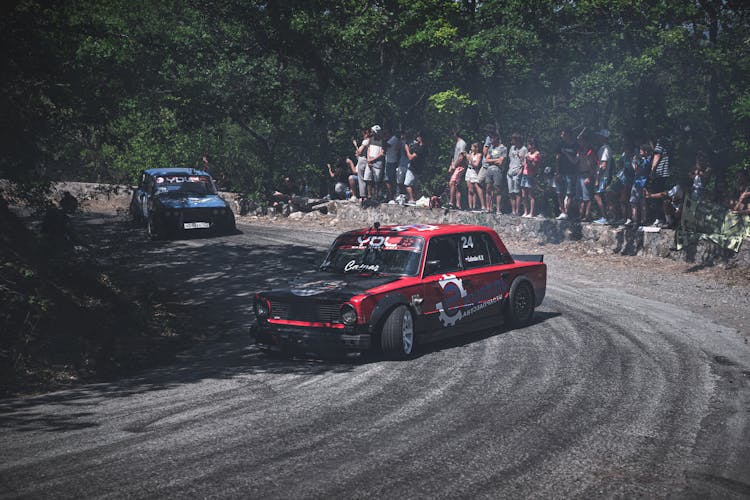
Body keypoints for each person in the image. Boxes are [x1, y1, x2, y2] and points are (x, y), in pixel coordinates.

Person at [647, 137, 672, 225]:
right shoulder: (667, 142)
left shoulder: (660, 142)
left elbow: (657, 156)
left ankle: (659, 218)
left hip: (659, 173)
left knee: (656, 195)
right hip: (665, 173)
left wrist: (652, 170)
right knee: (662, 195)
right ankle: (663, 218)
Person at [554, 128, 578, 220]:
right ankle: (562, 211)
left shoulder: (575, 145)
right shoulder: (560, 145)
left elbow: (576, 160)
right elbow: (557, 158)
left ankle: (566, 212)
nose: (561, 136)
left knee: (569, 193)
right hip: (561, 172)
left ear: (568, 134)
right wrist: (557, 172)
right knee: (559, 193)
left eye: (563, 134)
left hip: (571, 173)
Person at [627, 144, 651, 227]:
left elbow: (636, 170)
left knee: (633, 203)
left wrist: (633, 162)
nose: (640, 152)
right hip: (644, 183)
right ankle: (643, 220)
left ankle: (635, 221)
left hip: (638, 184)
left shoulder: (642, 161)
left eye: (641, 150)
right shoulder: (648, 160)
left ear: (646, 152)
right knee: (643, 203)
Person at [593, 129, 613, 224]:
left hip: (603, 177)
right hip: (602, 176)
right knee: (604, 196)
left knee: (599, 196)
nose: (597, 138)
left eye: (599, 136)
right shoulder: (603, 148)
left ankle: (606, 217)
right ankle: (608, 217)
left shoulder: (605, 149)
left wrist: (597, 179)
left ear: (603, 138)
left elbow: (603, 165)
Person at [575, 130, 596, 221]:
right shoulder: (579, 150)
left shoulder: (591, 151)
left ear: (585, 141)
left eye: (581, 141)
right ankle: (580, 215)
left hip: (587, 174)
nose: (579, 142)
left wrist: (589, 177)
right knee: (579, 197)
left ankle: (587, 216)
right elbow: (575, 161)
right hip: (579, 175)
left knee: (587, 197)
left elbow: (593, 165)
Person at [484, 133, 506, 213]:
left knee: (497, 189)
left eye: (492, 139)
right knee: (488, 188)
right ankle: (488, 208)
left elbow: (501, 161)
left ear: (496, 139)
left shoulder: (503, 148)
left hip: (498, 170)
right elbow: (486, 159)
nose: (490, 141)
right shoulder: (491, 148)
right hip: (489, 170)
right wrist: (496, 160)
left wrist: (493, 160)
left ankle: (498, 209)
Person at [403, 131, 427, 205]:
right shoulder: (424, 147)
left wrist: (407, 149)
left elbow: (411, 157)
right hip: (419, 168)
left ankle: (411, 199)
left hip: (413, 168)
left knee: (407, 184)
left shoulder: (421, 148)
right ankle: (416, 199)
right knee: (414, 185)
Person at [507, 132, 527, 216]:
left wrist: (520, 171)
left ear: (517, 140)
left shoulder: (524, 149)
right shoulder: (512, 148)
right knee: (511, 192)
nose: (512, 141)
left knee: (517, 192)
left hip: (517, 172)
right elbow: (510, 159)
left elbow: (525, 162)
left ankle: (518, 211)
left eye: (513, 139)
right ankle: (513, 211)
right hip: (510, 172)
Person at [365, 125, 385, 201]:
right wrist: (368, 159)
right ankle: (369, 196)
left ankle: (376, 197)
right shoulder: (370, 139)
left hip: (377, 162)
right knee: (368, 179)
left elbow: (382, 153)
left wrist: (372, 160)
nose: (372, 133)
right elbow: (368, 150)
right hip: (370, 161)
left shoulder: (382, 141)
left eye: (373, 131)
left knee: (377, 181)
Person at [520, 138, 540, 217]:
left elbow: (534, 166)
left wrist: (529, 161)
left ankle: (531, 213)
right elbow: (524, 164)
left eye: (529, 145)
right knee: (523, 194)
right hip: (524, 174)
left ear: (533, 145)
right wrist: (521, 158)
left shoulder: (537, 154)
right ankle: (525, 211)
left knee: (530, 195)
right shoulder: (528, 154)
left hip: (531, 175)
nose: (528, 147)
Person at [466, 142, 486, 212]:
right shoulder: (471, 154)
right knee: (470, 189)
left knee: (475, 188)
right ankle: (470, 206)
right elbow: (467, 163)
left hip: (474, 171)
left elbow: (476, 164)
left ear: (476, 148)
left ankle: (475, 206)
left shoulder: (479, 155)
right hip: (469, 170)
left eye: (472, 147)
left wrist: (470, 159)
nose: (471, 148)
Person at [353, 128, 371, 203]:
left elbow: (359, 152)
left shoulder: (365, 141)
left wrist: (355, 145)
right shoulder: (372, 141)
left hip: (362, 160)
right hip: (367, 160)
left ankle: (363, 196)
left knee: (361, 178)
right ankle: (368, 195)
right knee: (367, 178)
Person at [384, 128, 401, 201]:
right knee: (389, 180)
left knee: (388, 180)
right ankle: (389, 196)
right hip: (390, 161)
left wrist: (383, 139)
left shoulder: (393, 139)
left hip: (391, 162)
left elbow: (385, 146)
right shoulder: (394, 139)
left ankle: (390, 196)